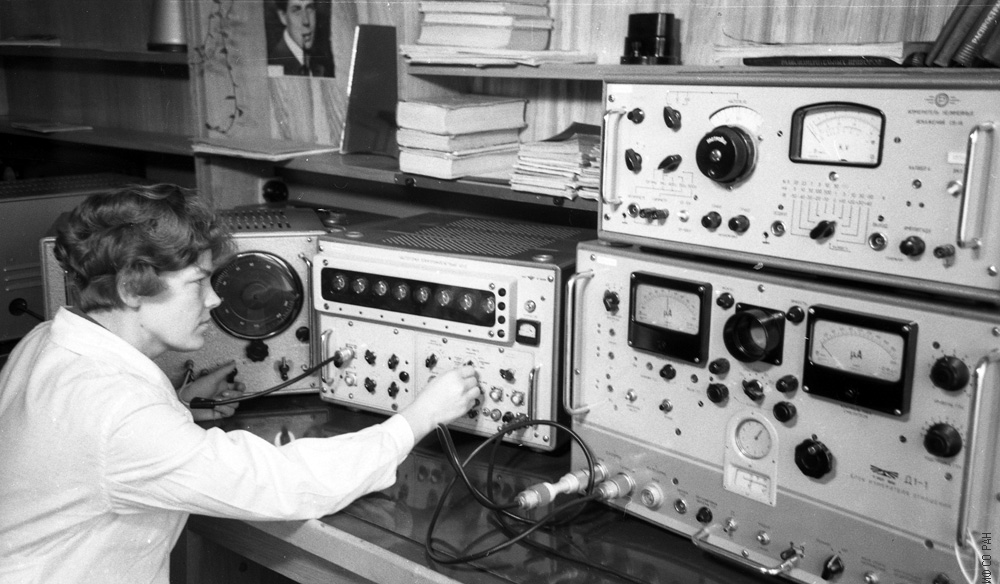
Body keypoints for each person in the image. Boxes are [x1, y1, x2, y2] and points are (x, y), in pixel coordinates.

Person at [0, 184, 481, 583]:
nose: (214, 299)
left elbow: (96, 449)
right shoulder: (119, 412)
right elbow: (281, 483)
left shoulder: (49, 341)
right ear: (131, 288)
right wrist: (417, 418)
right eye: (198, 282)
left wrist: (182, 405)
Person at [268, 0, 334, 77]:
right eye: (296, 11)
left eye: (310, 8)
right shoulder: (273, 66)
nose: (306, 21)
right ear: (283, 17)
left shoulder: (323, 62)